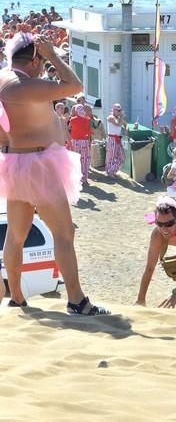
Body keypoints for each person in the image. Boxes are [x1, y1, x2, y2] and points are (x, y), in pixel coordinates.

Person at [0, 30, 108, 314]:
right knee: (63, 233)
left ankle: (18, 298)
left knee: (16, 234)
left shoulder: (3, 80)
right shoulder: (23, 85)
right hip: (38, 164)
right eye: (40, 59)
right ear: (34, 59)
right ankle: (76, 301)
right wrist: (52, 56)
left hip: (14, 162)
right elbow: (74, 85)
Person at [68, 103, 91, 185]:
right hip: (84, 141)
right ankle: (84, 178)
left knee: (75, 159)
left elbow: (69, 128)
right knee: (85, 160)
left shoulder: (72, 119)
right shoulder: (87, 119)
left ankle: (76, 177)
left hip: (75, 141)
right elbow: (88, 131)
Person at [106, 102, 127, 178]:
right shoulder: (110, 117)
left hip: (118, 139)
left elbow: (125, 125)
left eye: (120, 110)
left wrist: (133, 126)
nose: (119, 112)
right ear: (113, 110)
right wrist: (121, 117)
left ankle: (112, 170)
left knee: (122, 157)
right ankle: (110, 171)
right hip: (112, 138)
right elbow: (117, 124)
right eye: (118, 110)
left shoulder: (119, 118)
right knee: (112, 156)